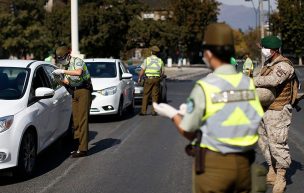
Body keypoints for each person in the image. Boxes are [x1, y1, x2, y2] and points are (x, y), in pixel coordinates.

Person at [153, 23, 264, 193]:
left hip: (215, 167)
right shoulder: (248, 83)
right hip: (245, 166)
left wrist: (173, 114)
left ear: (209, 53)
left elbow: (188, 130)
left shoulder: (205, 86)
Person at [254, 36, 297, 193]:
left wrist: (253, 81)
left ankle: (281, 177)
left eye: (264, 48)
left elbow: (273, 80)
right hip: (265, 109)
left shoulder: (285, 66)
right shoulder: (268, 64)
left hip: (278, 110)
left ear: (272, 50)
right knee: (264, 141)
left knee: (277, 143)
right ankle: (272, 170)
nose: (263, 51)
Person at [52, 46, 92, 158]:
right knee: (76, 121)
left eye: (62, 58)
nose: (61, 61)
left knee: (83, 119)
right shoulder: (66, 65)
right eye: (59, 59)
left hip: (84, 91)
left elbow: (78, 73)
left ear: (68, 55)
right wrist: (58, 79)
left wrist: (63, 71)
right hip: (74, 92)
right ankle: (77, 145)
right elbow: (67, 81)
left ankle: (83, 149)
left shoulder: (77, 61)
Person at [138, 45, 165, 116]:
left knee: (146, 95)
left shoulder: (147, 60)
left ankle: (143, 111)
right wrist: (160, 78)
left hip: (148, 79)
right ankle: (154, 111)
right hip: (156, 79)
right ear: (157, 53)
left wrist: (139, 78)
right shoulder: (160, 61)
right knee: (155, 96)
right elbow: (162, 72)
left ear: (151, 52)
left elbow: (142, 70)